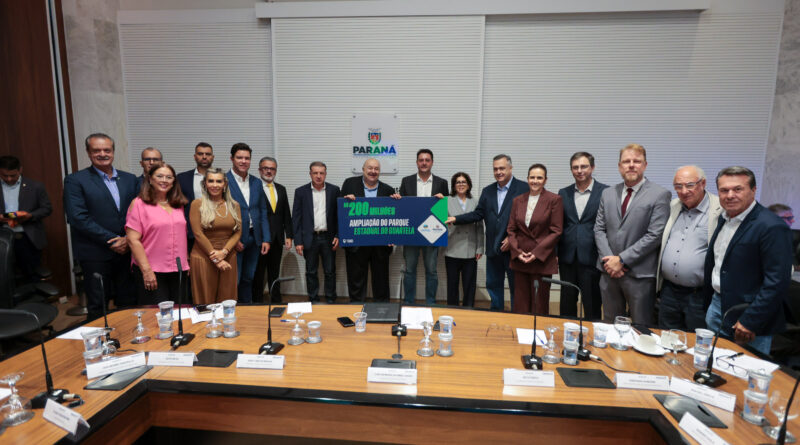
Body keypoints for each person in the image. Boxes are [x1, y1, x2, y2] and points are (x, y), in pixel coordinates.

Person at [703, 166, 793, 355]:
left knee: (746, 369)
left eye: (738, 189)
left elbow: (777, 282)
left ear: (753, 190)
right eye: (724, 190)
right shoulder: (724, 218)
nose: (730, 195)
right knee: (713, 363)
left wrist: (750, 320)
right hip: (717, 306)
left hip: (748, 316)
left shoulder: (771, 226)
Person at [63, 133, 138, 321]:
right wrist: (112, 240)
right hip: (95, 253)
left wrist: (127, 240)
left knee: (128, 301)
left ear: (113, 152)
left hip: (127, 251)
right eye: (97, 150)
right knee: (98, 304)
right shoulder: (75, 180)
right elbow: (77, 218)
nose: (102, 154)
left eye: (107, 150)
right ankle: (100, 337)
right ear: (88, 152)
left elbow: (139, 214)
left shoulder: (130, 179)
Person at [594, 143, 670, 325]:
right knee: (611, 324)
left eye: (636, 161)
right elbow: (599, 229)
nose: (631, 165)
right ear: (619, 166)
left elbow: (655, 235)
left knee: (641, 326)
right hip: (608, 273)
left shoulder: (660, 194)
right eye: (626, 161)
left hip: (639, 276)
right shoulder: (607, 193)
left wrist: (622, 260)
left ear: (645, 165)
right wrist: (610, 262)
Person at [446, 154, 528, 311]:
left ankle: (517, 317)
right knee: (493, 285)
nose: (498, 172)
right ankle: (496, 313)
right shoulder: (488, 191)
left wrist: (513, 238)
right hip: (493, 248)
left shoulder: (523, 189)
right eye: (495, 169)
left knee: (517, 287)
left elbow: (528, 218)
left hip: (514, 248)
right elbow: (478, 214)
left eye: (502, 168)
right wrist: (456, 218)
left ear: (511, 168)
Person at [656, 165, 722, 331]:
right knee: (667, 337)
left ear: (703, 183)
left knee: (695, 340)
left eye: (690, 185)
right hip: (669, 292)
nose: (684, 191)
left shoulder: (719, 210)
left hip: (698, 295)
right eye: (678, 186)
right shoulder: (673, 206)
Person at [125, 163, 190, 304]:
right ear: (150, 179)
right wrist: (147, 271)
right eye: (159, 176)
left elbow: (181, 235)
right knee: (156, 313)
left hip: (178, 269)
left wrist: (186, 263)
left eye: (169, 177)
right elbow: (133, 240)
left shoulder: (178, 204)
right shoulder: (138, 204)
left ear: (174, 181)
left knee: (180, 310)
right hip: (152, 270)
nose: (164, 180)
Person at [507, 164, 563, 315]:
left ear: (545, 180)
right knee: (520, 304)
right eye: (532, 177)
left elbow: (556, 231)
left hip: (541, 259)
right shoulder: (518, 200)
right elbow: (511, 229)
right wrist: (517, 252)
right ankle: (520, 328)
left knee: (539, 304)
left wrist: (536, 253)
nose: (535, 181)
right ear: (527, 179)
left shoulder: (554, 200)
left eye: (539, 178)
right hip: (521, 259)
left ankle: (538, 331)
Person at [557, 152, 608, 320]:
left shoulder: (606, 192)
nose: (579, 171)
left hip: (592, 258)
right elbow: (559, 225)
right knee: (566, 304)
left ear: (592, 168)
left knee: (592, 304)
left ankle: (592, 333)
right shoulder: (563, 193)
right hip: (567, 258)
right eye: (575, 167)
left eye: (584, 166)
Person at [340, 158, 395, 302]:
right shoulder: (349, 184)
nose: (373, 171)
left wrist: (398, 202)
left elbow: (394, 217)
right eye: (370, 168)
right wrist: (346, 201)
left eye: (376, 169)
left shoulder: (388, 190)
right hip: (356, 244)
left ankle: (382, 310)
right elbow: (339, 211)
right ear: (363, 169)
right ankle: (357, 308)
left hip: (380, 245)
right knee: (356, 281)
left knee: (381, 282)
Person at [399, 148, 449, 304]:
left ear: (432, 162)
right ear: (416, 162)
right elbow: (402, 208)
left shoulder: (442, 183)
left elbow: (445, 211)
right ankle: (408, 302)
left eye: (427, 160)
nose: (424, 163)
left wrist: (443, 201)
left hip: (432, 233)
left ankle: (431, 302)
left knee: (432, 271)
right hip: (411, 233)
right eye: (421, 160)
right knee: (409, 270)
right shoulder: (406, 181)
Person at [189, 168, 242, 304]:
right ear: (205, 184)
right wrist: (216, 259)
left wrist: (224, 252)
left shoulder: (234, 205)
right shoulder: (197, 204)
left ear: (225, 184)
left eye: (219, 181)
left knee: (227, 300)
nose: (215, 185)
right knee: (205, 302)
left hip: (228, 256)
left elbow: (238, 232)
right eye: (211, 181)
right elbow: (198, 234)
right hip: (203, 256)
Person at [226, 143, 270, 302]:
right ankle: (232, 310)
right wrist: (233, 240)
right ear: (232, 159)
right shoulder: (223, 181)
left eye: (247, 158)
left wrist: (266, 238)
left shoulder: (256, 182)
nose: (243, 161)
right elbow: (221, 214)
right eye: (239, 157)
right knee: (234, 280)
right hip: (235, 239)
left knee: (249, 277)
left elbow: (262, 211)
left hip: (255, 237)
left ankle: (246, 307)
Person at [0, 155, 53, 283]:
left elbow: (47, 208)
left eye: (13, 175)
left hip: (27, 238)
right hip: (2, 238)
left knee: (32, 276)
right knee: (4, 278)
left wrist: (30, 216)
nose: (9, 179)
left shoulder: (35, 186)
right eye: (4, 175)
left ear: (20, 170)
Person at [293, 162, 340, 303]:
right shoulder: (301, 192)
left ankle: (331, 299)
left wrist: (338, 235)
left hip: (328, 238)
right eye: (315, 173)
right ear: (310, 174)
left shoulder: (334, 190)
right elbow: (296, 218)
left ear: (325, 174)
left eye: (321, 173)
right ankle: (313, 300)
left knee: (330, 271)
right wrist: (298, 241)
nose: (318, 176)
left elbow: (339, 216)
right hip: (310, 238)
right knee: (311, 272)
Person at [253, 156, 294, 303]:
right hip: (260, 238)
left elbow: (286, 214)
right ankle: (256, 301)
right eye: (265, 168)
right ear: (259, 170)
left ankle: (276, 300)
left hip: (277, 238)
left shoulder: (281, 189)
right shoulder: (254, 188)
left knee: (274, 272)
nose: (269, 171)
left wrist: (289, 235)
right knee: (258, 273)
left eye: (272, 169)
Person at [444, 172, 484, 307]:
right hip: (452, 247)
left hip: (470, 249)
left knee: (469, 286)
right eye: (458, 182)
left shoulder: (476, 202)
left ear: (468, 185)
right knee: (452, 285)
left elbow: (480, 226)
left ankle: (468, 309)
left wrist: (480, 248)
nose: (461, 184)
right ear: (453, 185)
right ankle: (452, 310)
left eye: (463, 182)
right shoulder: (446, 200)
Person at [177, 142, 215, 253]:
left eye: (208, 154)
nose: (204, 157)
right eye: (200, 154)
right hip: (191, 232)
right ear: (195, 156)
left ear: (212, 157)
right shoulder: (182, 178)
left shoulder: (220, 178)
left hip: (216, 230)